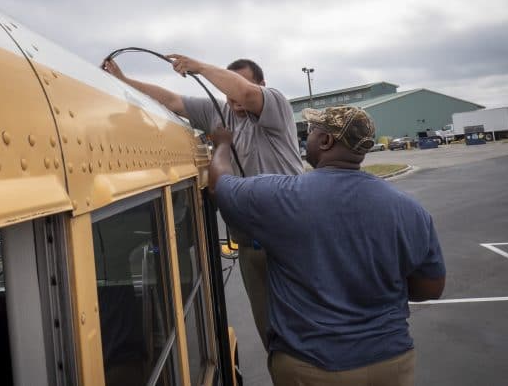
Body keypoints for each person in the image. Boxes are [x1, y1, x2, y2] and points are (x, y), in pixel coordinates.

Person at [209, 106, 446, 386]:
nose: (306, 138)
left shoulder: (279, 196)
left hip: (311, 365)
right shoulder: (410, 210)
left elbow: (219, 185)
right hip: (391, 363)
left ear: (325, 142)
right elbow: (431, 288)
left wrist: (222, 144)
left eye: (311, 132)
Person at [103, 55, 304, 348]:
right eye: (229, 91)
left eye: (243, 85)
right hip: (250, 244)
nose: (235, 97)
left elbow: (246, 94)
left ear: (262, 85)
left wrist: (200, 67)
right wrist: (124, 82)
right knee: (271, 330)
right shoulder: (218, 112)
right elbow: (172, 101)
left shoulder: (275, 106)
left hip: (291, 238)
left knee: (305, 318)